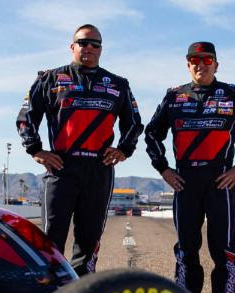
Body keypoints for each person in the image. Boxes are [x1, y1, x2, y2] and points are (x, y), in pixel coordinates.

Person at [145, 41, 235, 293]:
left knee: (223, 251)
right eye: (195, 60)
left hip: (220, 182)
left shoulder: (234, 94)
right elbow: (151, 134)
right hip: (185, 182)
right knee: (186, 250)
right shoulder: (174, 96)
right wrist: (164, 169)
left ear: (216, 64)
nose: (200, 65)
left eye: (207, 60)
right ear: (187, 64)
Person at [17, 24, 143, 275]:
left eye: (95, 44)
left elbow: (135, 123)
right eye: (83, 42)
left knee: (89, 241)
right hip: (61, 168)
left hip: (99, 169)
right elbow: (25, 118)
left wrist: (123, 150)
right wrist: (36, 150)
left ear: (101, 49)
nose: (89, 48)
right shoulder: (49, 78)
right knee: (51, 241)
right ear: (72, 46)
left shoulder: (118, 84)